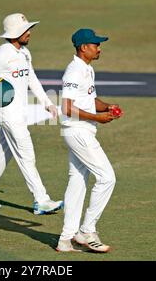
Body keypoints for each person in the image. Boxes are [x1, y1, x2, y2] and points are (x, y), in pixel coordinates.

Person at [0, 13, 63, 215]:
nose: (29, 33)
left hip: (20, 113)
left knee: (2, 153)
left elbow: (31, 77)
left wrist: (46, 102)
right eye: (25, 30)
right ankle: (41, 200)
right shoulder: (0, 55)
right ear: (14, 33)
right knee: (26, 155)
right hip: (8, 115)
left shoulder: (24, 52)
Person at [56, 28, 120, 253]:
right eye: (96, 44)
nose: (99, 48)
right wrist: (97, 118)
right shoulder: (74, 71)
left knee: (77, 181)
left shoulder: (86, 69)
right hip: (78, 131)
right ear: (84, 48)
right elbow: (67, 107)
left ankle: (65, 239)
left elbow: (89, 100)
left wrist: (107, 107)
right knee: (107, 178)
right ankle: (87, 230)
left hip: (82, 130)